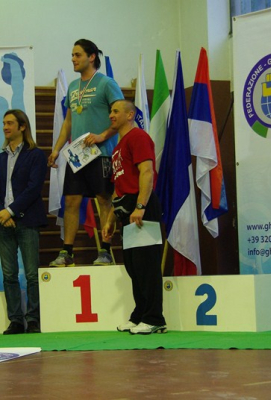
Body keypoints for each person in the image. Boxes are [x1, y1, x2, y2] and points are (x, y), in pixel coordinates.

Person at [48, 38, 124, 267]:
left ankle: (106, 251)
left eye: (77, 54)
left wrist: (102, 136)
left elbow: (121, 116)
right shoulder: (73, 87)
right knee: (71, 200)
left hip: (101, 153)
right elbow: (68, 122)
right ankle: (66, 252)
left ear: (91, 57)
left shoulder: (106, 83)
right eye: (72, 55)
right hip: (78, 155)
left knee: (104, 200)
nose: (73, 59)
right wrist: (56, 149)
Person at [102, 100, 167, 335]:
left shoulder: (138, 137)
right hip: (126, 209)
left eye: (116, 111)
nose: (111, 115)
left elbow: (146, 171)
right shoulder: (117, 148)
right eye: (110, 111)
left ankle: (155, 318)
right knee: (133, 266)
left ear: (130, 115)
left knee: (147, 265)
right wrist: (110, 219)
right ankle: (140, 315)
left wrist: (141, 206)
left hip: (142, 207)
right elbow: (118, 188)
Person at [0, 109, 47, 334]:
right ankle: (15, 320)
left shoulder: (35, 155)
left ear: (22, 127)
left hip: (27, 221)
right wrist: (0, 213)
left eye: (10, 123)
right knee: (9, 275)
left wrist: (10, 211)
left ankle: (33, 319)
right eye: (4, 123)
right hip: (3, 223)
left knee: (32, 274)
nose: (5, 127)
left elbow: (34, 188)